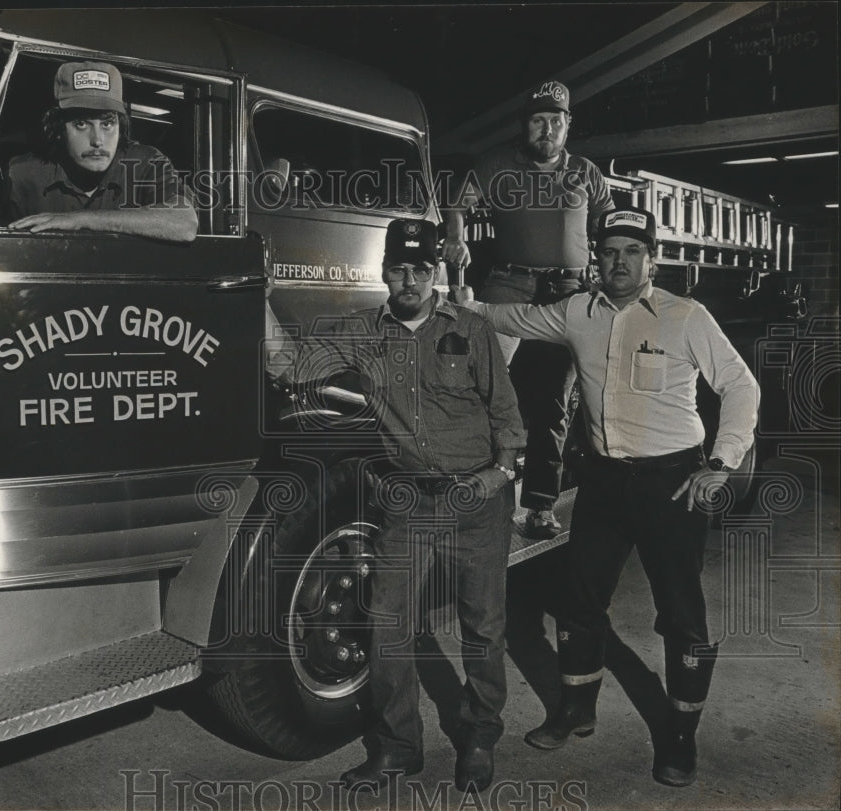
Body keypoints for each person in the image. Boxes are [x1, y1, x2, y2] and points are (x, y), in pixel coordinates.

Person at [450, 207, 759, 787]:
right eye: (610, 251)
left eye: (632, 252)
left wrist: (721, 463)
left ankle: (679, 736)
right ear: (596, 256)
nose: (619, 262)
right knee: (578, 602)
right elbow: (511, 314)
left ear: (652, 260)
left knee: (681, 616)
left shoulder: (685, 317)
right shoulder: (576, 312)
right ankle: (575, 711)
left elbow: (740, 385)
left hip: (672, 483)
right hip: (602, 483)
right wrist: (460, 300)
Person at [274, 219, 526, 794]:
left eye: (420, 268)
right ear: (383, 270)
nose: (408, 280)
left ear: (436, 271)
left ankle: (481, 735)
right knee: (387, 623)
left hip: (476, 496)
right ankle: (398, 747)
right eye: (397, 268)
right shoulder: (363, 332)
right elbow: (287, 365)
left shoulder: (473, 329)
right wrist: (258, 292)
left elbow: (506, 414)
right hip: (408, 498)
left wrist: (500, 475)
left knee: (482, 628)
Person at [442, 79, 614, 540]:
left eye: (555, 121)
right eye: (538, 121)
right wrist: (456, 236)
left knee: (554, 401)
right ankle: (480, 501)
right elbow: (457, 203)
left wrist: (610, 277)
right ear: (526, 126)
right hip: (509, 283)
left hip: (569, 292)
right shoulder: (499, 163)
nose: (547, 130)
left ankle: (540, 506)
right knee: (485, 388)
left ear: (567, 125)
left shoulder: (586, 172)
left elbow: (610, 228)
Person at [5, 61, 198, 242]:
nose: (97, 140)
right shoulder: (25, 174)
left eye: (107, 124)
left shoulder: (145, 162)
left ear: (120, 126)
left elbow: (184, 223)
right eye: (81, 124)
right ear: (59, 129)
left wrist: (80, 220)